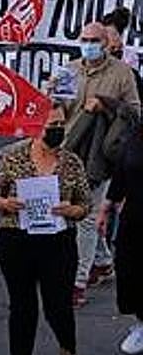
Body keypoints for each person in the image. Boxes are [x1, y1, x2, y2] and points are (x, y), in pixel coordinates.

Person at [0, 106, 89, 355]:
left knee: (58, 306)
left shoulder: (71, 162)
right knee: (22, 307)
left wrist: (74, 210)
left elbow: (85, 203)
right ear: (35, 127)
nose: (56, 130)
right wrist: (4, 204)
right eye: (50, 125)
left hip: (58, 242)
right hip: (17, 239)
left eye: (60, 124)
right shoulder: (14, 157)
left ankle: (67, 347)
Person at [61, 21, 141, 306]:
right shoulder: (68, 70)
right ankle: (104, 260)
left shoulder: (122, 74)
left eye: (94, 40)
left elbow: (134, 112)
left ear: (106, 44)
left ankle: (77, 282)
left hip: (101, 157)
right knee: (77, 216)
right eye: (84, 39)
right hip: (69, 150)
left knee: (85, 217)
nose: (88, 45)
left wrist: (107, 104)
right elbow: (57, 105)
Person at [100, 103, 143, 355]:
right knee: (131, 270)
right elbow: (122, 170)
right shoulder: (137, 134)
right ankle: (140, 323)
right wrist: (107, 205)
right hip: (135, 218)